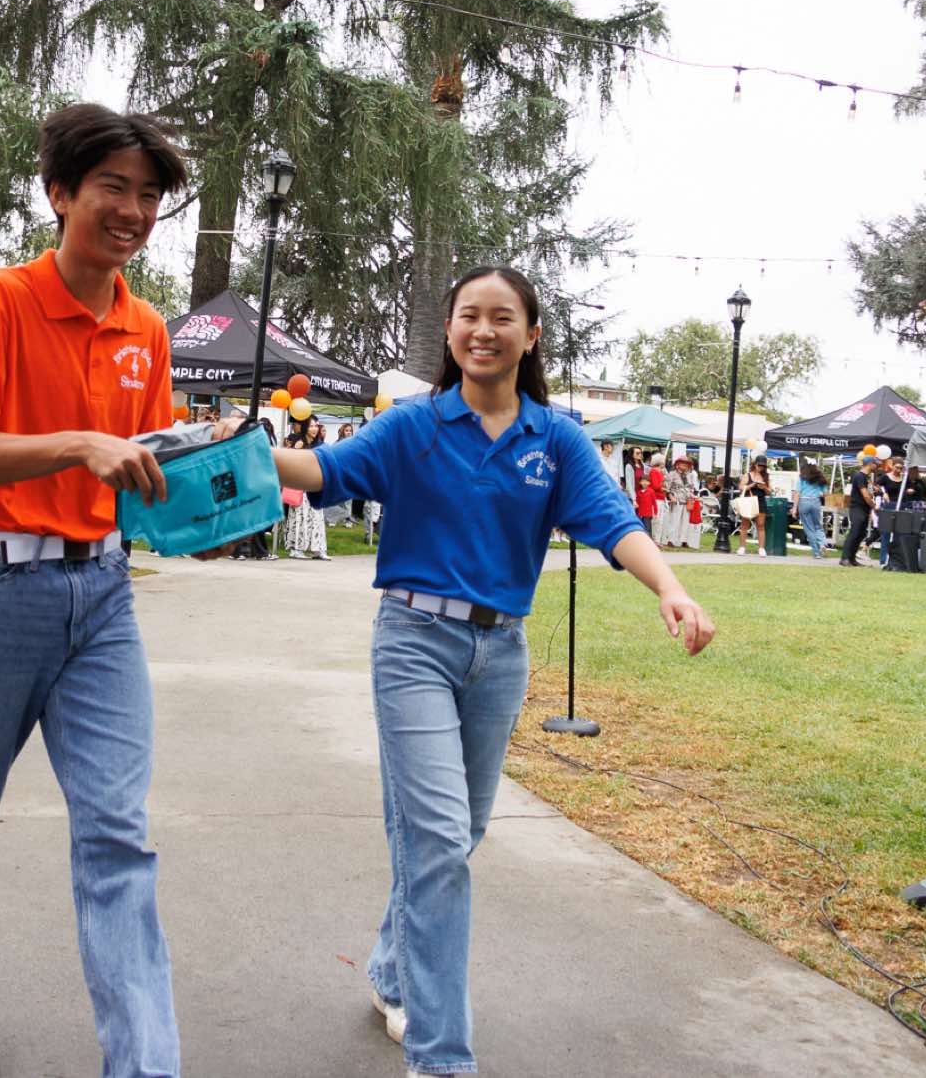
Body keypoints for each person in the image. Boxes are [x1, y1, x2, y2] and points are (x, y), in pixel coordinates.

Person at [251, 265, 713, 1078]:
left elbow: (615, 522)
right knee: (434, 838)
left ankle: (393, 971)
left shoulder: (554, 438)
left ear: (531, 335)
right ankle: (441, 1057)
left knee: (455, 836)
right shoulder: (415, 425)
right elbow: (328, 471)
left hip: (500, 655)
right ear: (450, 330)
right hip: (413, 642)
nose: (484, 330)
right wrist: (249, 448)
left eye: (503, 317)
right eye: (469, 315)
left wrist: (671, 588)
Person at [0, 102, 192, 1075]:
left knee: (118, 831)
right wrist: (78, 444)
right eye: (113, 186)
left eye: (148, 195)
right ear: (60, 192)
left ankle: (143, 1063)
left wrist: (202, 492)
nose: (133, 210)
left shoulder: (146, 327)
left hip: (103, 595)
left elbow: (142, 465)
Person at [281, 422, 330, 559]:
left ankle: (318, 549)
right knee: (300, 516)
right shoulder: (298, 443)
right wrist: (295, 450)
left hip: (315, 485)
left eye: (316, 426)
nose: (314, 429)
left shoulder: (320, 445)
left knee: (316, 517)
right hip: (300, 486)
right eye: (311, 426)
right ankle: (296, 548)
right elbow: (289, 462)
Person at [841, 455, 877, 567]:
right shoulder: (859, 476)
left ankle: (852, 559)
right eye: (875, 463)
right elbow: (865, 496)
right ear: (870, 464)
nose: (876, 466)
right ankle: (845, 558)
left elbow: (869, 494)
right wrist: (874, 506)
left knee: (861, 533)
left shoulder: (866, 478)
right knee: (855, 532)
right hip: (857, 508)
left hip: (864, 509)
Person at [796, 461, 829, 559]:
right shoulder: (820, 478)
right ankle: (822, 543)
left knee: (809, 528)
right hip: (816, 502)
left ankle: (816, 553)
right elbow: (825, 494)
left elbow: (797, 493)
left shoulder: (802, 478)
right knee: (818, 526)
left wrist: (794, 508)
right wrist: (818, 493)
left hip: (804, 501)